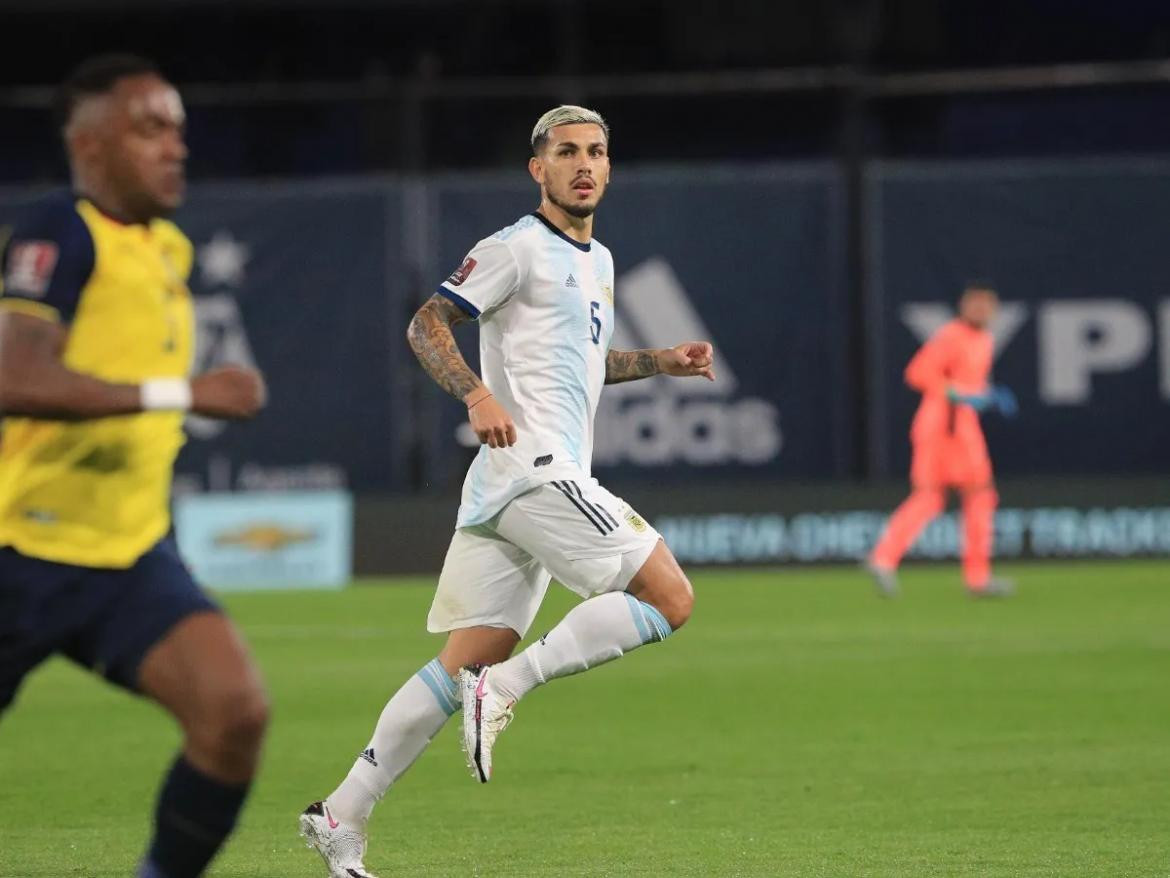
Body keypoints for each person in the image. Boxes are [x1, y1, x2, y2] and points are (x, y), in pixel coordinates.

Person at [300, 105, 714, 878]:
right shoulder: (515, 248)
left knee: (460, 666)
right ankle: (511, 686)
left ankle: (340, 813)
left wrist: (663, 360)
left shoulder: (601, 261)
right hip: (533, 468)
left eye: (595, 152)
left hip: (509, 485)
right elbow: (428, 324)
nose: (583, 164)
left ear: (609, 167)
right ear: (538, 169)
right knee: (670, 597)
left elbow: (581, 363)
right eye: (566, 152)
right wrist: (474, 396)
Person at [0, 55, 269, 878]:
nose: (175, 148)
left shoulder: (169, 249)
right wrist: (179, 390)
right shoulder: (59, 229)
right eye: (149, 129)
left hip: (123, 554)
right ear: (89, 146)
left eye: (179, 130)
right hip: (16, 546)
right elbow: (13, 374)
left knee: (233, 714)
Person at [865, 283, 1017, 598]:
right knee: (964, 495)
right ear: (963, 306)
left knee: (953, 498)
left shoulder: (984, 340)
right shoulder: (952, 336)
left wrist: (986, 396)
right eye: (975, 304)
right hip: (944, 427)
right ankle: (974, 577)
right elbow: (917, 373)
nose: (980, 311)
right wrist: (957, 393)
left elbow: (969, 384)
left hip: (960, 425)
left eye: (986, 305)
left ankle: (885, 558)